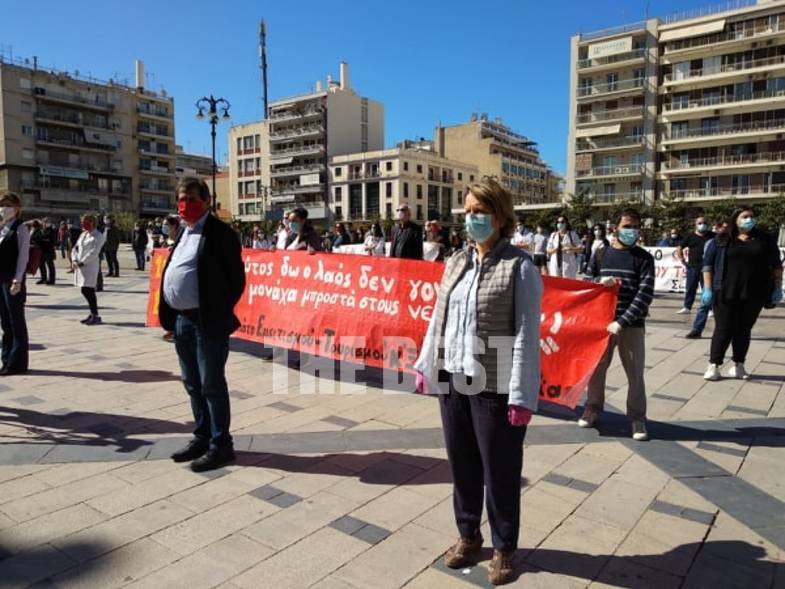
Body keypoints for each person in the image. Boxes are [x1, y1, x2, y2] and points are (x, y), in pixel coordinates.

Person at [414, 177, 542, 586]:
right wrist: (425, 365)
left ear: (502, 217)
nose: (473, 220)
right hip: (454, 378)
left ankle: (505, 547)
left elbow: (525, 334)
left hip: (494, 384)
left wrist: (521, 395)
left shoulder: (518, 267)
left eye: (481, 213)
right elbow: (439, 318)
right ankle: (468, 534)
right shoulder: (455, 261)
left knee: (500, 470)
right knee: (463, 465)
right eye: (468, 212)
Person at [159, 177, 246, 472]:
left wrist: (216, 311)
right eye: (180, 200)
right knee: (192, 383)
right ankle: (203, 435)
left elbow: (236, 281)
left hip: (206, 322)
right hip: (182, 321)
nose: (184, 205)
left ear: (207, 201)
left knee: (211, 384)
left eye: (192, 199)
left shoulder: (220, 233)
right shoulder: (184, 232)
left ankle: (221, 444)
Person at [580, 207, 655, 442]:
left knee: (635, 373)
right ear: (615, 228)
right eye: (627, 226)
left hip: (630, 325)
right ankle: (592, 407)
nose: (632, 230)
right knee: (596, 370)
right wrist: (598, 282)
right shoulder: (601, 254)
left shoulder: (644, 258)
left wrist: (622, 321)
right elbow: (587, 281)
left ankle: (636, 417)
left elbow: (644, 295)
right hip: (601, 324)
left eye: (635, 226)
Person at [702, 208, 783, 381]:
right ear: (735, 220)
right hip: (725, 292)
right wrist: (707, 289)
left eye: (752, 217)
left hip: (754, 293)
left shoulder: (765, 240)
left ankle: (738, 365)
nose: (749, 219)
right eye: (745, 217)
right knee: (723, 329)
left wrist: (777, 287)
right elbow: (707, 265)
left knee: (744, 330)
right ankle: (713, 365)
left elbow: (776, 265)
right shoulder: (722, 239)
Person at [0, 192, 30, 375]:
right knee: (5, 322)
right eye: (2, 204)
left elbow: (23, 257)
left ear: (17, 208)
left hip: (12, 280)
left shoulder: (21, 228)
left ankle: (17, 363)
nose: (4, 208)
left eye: (8, 204)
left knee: (16, 321)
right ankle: (6, 359)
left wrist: (18, 280)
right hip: (0, 279)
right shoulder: (2, 228)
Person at [678, 216, 715, 337]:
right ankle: (687, 306)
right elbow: (680, 248)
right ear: (695, 224)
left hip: (708, 268)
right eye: (699, 223)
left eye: (704, 223)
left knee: (707, 290)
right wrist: (682, 259)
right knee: (690, 288)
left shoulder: (712, 236)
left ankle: (710, 309)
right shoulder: (690, 236)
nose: (702, 225)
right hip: (693, 267)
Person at [72, 214, 106, 325]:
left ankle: (95, 315)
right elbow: (75, 248)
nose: (83, 224)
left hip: (89, 266)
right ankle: (92, 313)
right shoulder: (83, 234)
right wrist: (74, 260)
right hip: (80, 266)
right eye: (82, 222)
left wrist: (82, 262)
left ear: (92, 222)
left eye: (86, 221)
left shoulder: (98, 236)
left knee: (88, 290)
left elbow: (94, 252)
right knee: (85, 290)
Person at [32, 218, 56, 285]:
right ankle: (43, 278)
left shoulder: (51, 230)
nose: (45, 224)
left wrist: (41, 240)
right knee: (41, 265)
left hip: (49, 250)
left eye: (46, 222)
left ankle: (52, 280)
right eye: (44, 222)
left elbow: (52, 241)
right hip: (41, 250)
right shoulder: (41, 230)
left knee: (50, 265)